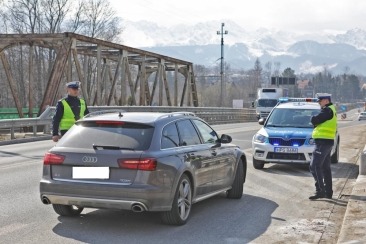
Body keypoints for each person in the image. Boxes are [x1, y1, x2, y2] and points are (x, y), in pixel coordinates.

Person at [309, 93, 337, 200]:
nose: (319, 103)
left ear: (325, 100)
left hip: (322, 142)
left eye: (320, 101)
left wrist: (312, 118)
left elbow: (314, 120)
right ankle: (328, 192)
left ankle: (320, 191)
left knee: (314, 166)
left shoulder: (327, 110)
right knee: (325, 168)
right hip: (327, 141)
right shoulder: (332, 110)